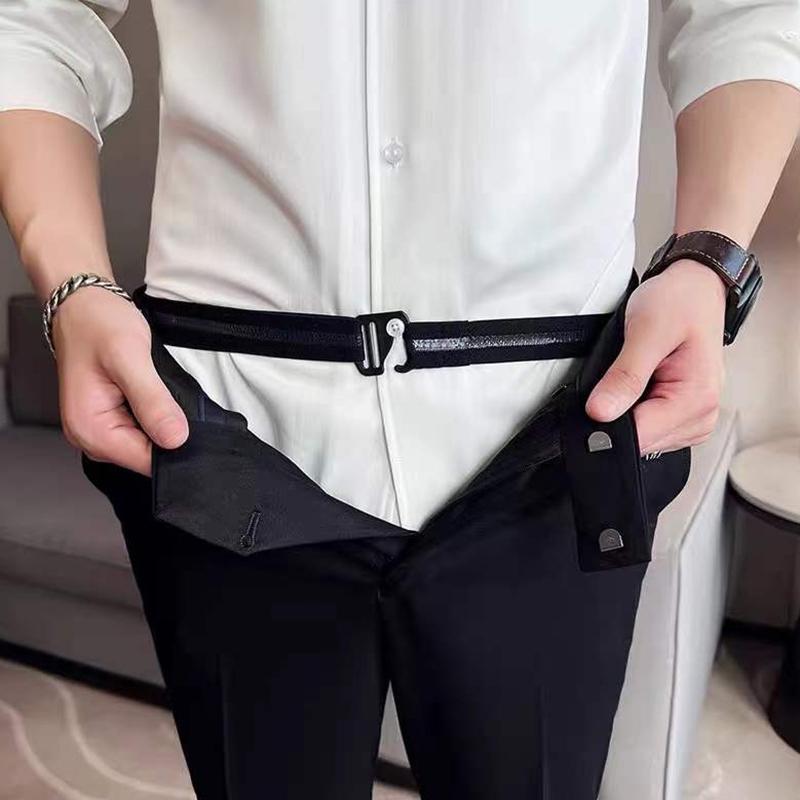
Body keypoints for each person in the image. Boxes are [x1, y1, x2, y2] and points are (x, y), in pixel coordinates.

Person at [0, 2, 798, 798]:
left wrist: (710, 260)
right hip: (224, 422)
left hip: (557, 429)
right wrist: (72, 284)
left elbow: (745, 13)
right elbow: (33, 19)